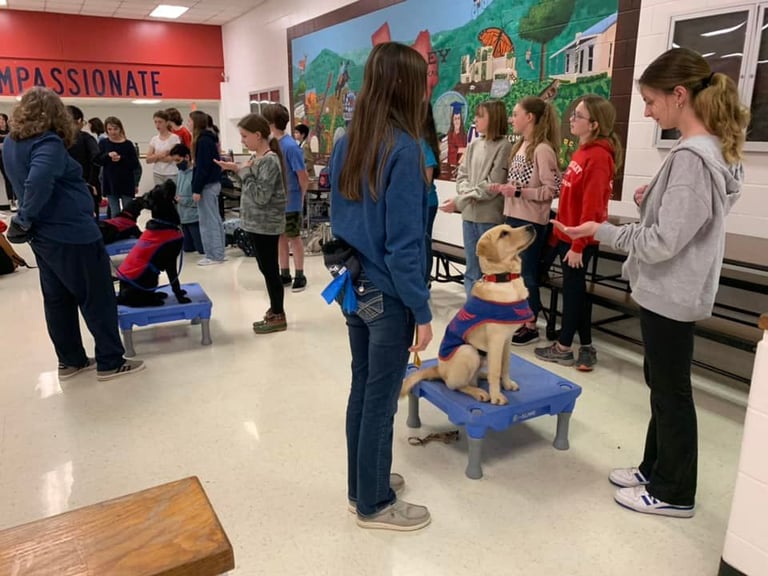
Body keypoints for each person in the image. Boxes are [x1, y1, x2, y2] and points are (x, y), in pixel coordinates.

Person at [554, 47, 748, 518]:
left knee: (671, 390)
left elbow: (663, 242)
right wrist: (650, 199)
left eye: (651, 101)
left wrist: (601, 230)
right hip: (672, 289)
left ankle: (674, 491)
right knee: (660, 383)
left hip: (672, 292)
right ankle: (654, 466)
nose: (646, 111)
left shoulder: (692, 157)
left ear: (679, 95)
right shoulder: (709, 152)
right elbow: (687, 220)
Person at [330, 42, 432, 531]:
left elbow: (339, 216)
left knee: (363, 386)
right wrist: (424, 310)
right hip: (388, 293)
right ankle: (374, 503)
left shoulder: (348, 140)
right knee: (381, 396)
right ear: (405, 86)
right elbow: (404, 245)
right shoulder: (406, 150)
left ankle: (361, 485)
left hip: (352, 283)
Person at [2, 87, 143, 380]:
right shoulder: (48, 142)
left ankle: (71, 361)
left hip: (44, 237)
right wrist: (24, 219)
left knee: (58, 299)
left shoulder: (12, 144)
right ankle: (110, 361)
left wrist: (26, 222)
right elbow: (38, 181)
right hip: (71, 233)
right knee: (97, 296)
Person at [533, 95, 622, 371]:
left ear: (594, 124)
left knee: (573, 293)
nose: (572, 119)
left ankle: (563, 347)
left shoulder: (599, 157)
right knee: (576, 291)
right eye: (573, 115)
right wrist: (559, 234)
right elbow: (571, 200)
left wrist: (579, 245)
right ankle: (585, 345)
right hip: (566, 235)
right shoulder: (582, 152)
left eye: (578, 116)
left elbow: (593, 207)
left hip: (578, 240)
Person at [489, 96, 561, 345]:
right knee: (514, 273)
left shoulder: (543, 149)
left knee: (526, 274)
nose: (512, 118)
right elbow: (520, 184)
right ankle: (520, 317)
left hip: (530, 222)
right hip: (513, 215)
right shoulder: (520, 145)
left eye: (516, 113)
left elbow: (552, 190)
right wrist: (506, 189)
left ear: (529, 117)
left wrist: (519, 192)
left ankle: (531, 324)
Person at [215, 114, 288, 333]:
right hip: (256, 223)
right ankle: (275, 309)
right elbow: (249, 187)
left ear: (258, 135)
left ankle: (278, 313)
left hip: (266, 224)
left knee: (270, 270)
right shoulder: (257, 159)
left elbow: (262, 195)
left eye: (245, 136)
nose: (242, 141)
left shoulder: (269, 160)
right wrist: (237, 171)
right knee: (265, 268)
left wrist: (244, 171)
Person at [440, 99, 511, 299]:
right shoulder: (474, 144)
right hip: (469, 215)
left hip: (489, 218)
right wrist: (464, 195)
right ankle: (472, 311)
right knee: (471, 268)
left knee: (488, 270)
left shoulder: (504, 146)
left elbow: (492, 185)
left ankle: (487, 314)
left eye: (481, 116)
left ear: (494, 118)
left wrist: (460, 200)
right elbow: (462, 176)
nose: (475, 120)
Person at [262, 103, 309, 292]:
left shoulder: (290, 147)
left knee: (294, 237)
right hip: (277, 202)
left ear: (271, 123)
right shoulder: (272, 145)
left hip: (291, 201)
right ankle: (284, 272)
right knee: (280, 238)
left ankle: (299, 273)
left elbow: (302, 176)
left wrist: (301, 197)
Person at [189, 110, 225, 265]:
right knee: (214, 219)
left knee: (207, 221)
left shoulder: (202, 141)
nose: (188, 123)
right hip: (212, 183)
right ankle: (218, 252)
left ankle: (213, 255)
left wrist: (196, 189)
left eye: (190, 121)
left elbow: (202, 168)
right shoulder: (209, 139)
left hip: (207, 185)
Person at [96, 116, 141, 217]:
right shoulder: (103, 143)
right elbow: (98, 160)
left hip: (126, 182)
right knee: (114, 212)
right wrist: (108, 156)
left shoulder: (128, 144)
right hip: (110, 182)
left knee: (128, 211)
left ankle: (128, 231)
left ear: (120, 128)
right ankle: (116, 231)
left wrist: (121, 158)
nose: (113, 132)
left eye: (115, 128)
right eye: (110, 129)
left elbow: (134, 163)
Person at [66, 105, 100, 216]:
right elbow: (96, 159)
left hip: (62, 188)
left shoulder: (54, 139)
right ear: (79, 120)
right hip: (84, 185)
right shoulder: (86, 138)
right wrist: (92, 182)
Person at [170, 143, 204, 255]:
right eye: (174, 161)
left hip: (194, 217)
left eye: (178, 160)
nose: (177, 164)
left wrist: (182, 200)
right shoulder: (180, 173)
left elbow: (198, 198)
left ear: (187, 157)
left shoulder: (196, 174)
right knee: (187, 248)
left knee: (201, 249)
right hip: (183, 217)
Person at [422, 103, 440, 285]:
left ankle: (425, 280)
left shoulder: (422, 144)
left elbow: (426, 182)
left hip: (426, 203)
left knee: (423, 242)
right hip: (417, 203)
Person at [146, 110, 180, 185]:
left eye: (160, 122)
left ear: (167, 122)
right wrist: (160, 155)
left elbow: (172, 158)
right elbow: (148, 159)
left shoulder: (175, 138)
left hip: (171, 173)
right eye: (155, 122)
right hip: (157, 173)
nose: (157, 125)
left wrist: (155, 158)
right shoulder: (154, 139)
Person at [0, 112, 16, 210]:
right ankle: (11, 201)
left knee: (10, 178)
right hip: (0, 157)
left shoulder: (12, 132)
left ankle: (14, 201)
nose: (0, 122)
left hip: (9, 157)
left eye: (2, 119)